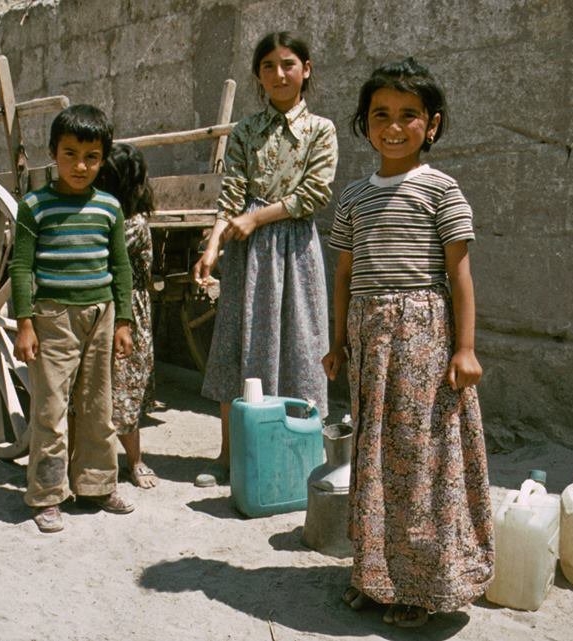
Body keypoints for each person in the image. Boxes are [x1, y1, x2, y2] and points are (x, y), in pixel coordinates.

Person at [321, 58, 494, 627]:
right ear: (363, 123)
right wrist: (338, 342)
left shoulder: (441, 190)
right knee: (375, 457)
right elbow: (344, 276)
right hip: (371, 342)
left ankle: (425, 585)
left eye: (408, 116)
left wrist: (464, 349)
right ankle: (377, 577)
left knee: (422, 459)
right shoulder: (351, 198)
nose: (393, 127)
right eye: (380, 115)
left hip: (423, 336)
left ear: (433, 124)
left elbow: (460, 274)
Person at [192, 31, 338, 488]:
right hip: (247, 255)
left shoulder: (321, 130)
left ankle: (300, 455)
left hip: (294, 250)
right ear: (258, 74)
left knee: (301, 345)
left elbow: (314, 193)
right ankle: (230, 456)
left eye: (288, 64)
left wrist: (257, 220)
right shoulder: (245, 132)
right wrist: (213, 246)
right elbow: (231, 195)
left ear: (306, 69)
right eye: (269, 66)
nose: (279, 74)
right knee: (238, 345)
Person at [9, 104, 136, 534]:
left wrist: (123, 321)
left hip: (100, 317)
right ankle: (47, 495)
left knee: (99, 408)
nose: (80, 166)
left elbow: (121, 268)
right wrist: (24, 323)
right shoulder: (33, 207)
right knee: (50, 410)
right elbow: (21, 268)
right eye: (69, 154)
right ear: (53, 153)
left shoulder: (109, 209)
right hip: (53, 319)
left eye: (92, 157)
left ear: (103, 158)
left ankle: (97, 487)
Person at [94, 142, 159, 490]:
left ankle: (134, 461)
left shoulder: (132, 224)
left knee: (125, 388)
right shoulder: (116, 219)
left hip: (127, 311)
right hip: (102, 306)